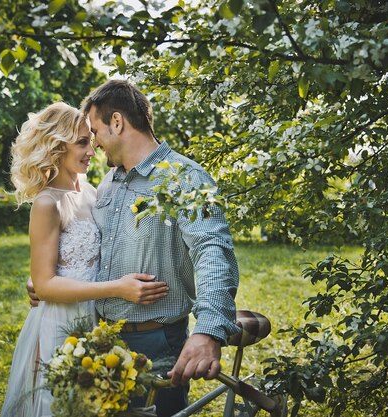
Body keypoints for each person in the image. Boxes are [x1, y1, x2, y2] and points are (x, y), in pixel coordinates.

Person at [28, 80, 240, 417]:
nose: (94, 144)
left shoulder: (184, 178)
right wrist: (50, 282)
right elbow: (89, 248)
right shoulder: (109, 183)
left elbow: (213, 252)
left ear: (117, 122)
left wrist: (208, 330)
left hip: (157, 342)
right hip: (101, 338)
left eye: (94, 131)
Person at [1, 102, 169, 417]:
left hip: (95, 320)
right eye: (81, 142)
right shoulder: (48, 203)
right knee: (63, 404)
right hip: (61, 324)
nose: (91, 149)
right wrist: (115, 288)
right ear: (55, 147)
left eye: (90, 139)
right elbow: (46, 285)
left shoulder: (91, 193)